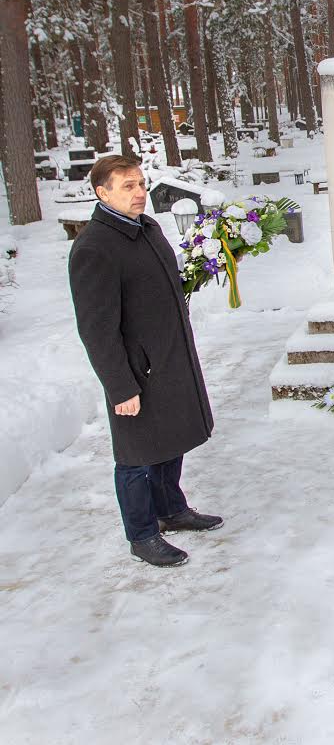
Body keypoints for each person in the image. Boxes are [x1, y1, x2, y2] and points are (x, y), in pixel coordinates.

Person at [69, 155, 219, 568]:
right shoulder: (94, 248)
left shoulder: (148, 228)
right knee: (136, 457)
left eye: (140, 183)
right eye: (128, 186)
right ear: (103, 193)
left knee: (170, 439)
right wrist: (121, 385)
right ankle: (142, 534)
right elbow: (97, 329)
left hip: (169, 357)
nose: (139, 193)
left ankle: (171, 509)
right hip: (137, 370)